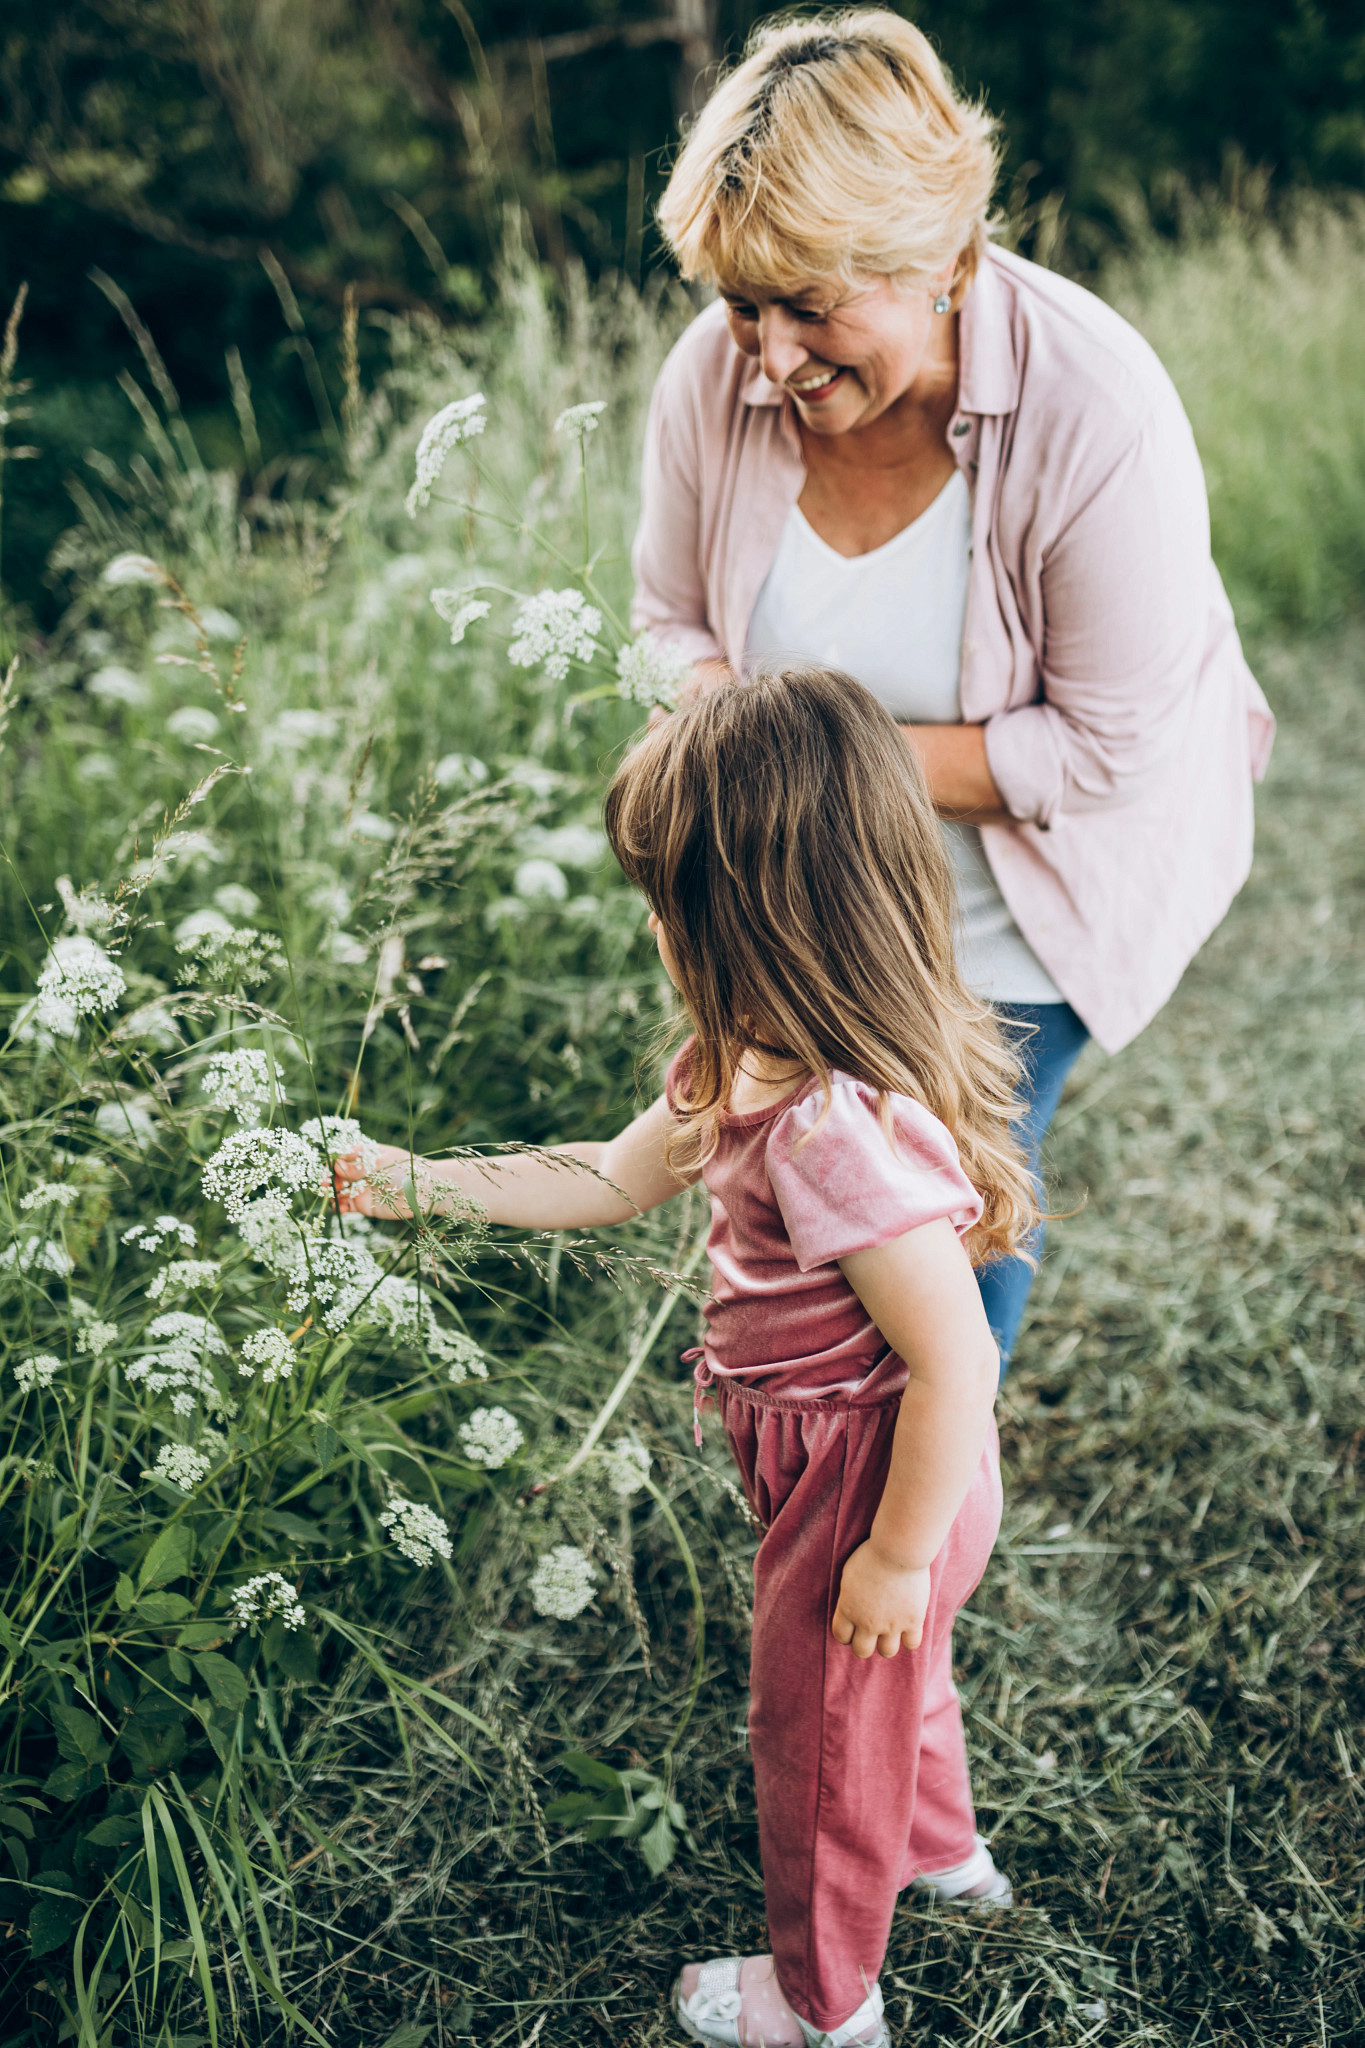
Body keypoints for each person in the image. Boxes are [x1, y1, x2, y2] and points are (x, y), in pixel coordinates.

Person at [333, 667, 1039, 2048]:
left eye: (672, 902)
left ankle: (824, 2004)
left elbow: (955, 1362)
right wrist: (420, 1182)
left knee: (821, 1742)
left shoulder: (833, 1134)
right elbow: (604, 1178)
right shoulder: (734, 1073)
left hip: (872, 1479)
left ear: (760, 922)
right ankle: (943, 1857)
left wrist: (890, 1555)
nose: (655, 928)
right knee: (902, 1678)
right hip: (847, 1467)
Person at [634, 8, 1275, 1371]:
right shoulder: (713, 375)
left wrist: (814, 760)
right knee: (793, 1239)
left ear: (945, 261)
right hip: (803, 904)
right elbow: (669, 620)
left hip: (1012, 915)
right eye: (741, 304)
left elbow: (1103, 753)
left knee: (937, 1271)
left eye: (812, 304)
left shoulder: (1093, 407)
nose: (770, 358)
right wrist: (711, 724)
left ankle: (919, 1551)